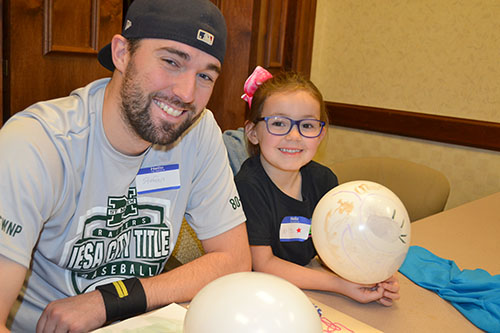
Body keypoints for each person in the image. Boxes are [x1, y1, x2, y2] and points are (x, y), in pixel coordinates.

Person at [0, 0, 251, 331]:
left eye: (205, 75)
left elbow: (234, 261)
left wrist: (111, 299)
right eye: (171, 61)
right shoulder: (35, 143)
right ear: (121, 53)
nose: (187, 93)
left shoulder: (199, 131)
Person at [235, 66, 400, 306]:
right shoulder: (248, 186)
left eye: (308, 125)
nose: (294, 136)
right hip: (259, 296)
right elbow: (263, 265)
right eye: (279, 123)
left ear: (321, 135)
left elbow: (335, 246)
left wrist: (371, 276)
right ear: (252, 132)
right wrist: (340, 285)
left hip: (309, 290)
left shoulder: (324, 180)